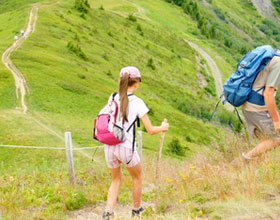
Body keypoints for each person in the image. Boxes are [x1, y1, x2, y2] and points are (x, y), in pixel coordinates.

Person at [102, 66, 169, 220]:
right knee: (137, 177)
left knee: (115, 179)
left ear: (121, 81)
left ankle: (108, 212)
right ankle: (136, 210)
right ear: (137, 83)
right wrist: (163, 127)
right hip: (126, 148)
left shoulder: (112, 97)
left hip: (110, 146)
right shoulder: (138, 103)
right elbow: (150, 130)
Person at [240, 53, 280, 162]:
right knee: (276, 139)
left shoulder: (272, 55)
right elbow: (268, 93)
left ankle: (254, 166)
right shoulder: (279, 65)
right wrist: (276, 120)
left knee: (264, 140)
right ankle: (240, 162)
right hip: (257, 107)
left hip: (248, 101)